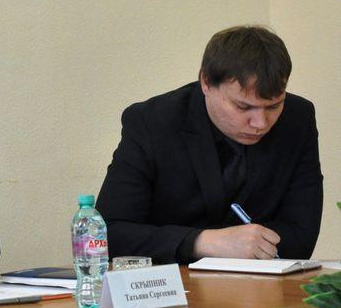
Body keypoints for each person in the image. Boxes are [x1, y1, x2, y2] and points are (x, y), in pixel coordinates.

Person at [96, 25, 323, 264]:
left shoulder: (298, 118)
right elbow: (107, 234)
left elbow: (301, 237)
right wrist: (202, 242)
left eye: (274, 106)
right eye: (243, 106)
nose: (260, 123)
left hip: (264, 283)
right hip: (169, 280)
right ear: (206, 82)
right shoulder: (152, 122)